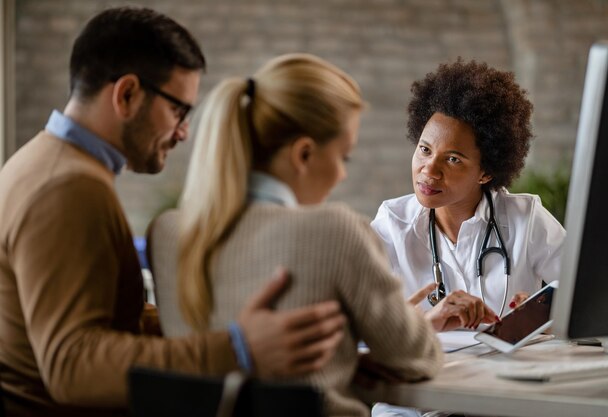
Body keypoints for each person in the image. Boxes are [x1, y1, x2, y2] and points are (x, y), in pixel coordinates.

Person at [0, 8, 346, 417]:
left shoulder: (44, 161)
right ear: (126, 94)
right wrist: (239, 348)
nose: (183, 133)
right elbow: (72, 365)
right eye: (179, 111)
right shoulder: (68, 186)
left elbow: (105, 320)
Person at [148, 53, 444, 417]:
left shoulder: (167, 233)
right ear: (303, 154)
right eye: (343, 157)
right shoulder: (335, 231)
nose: (342, 175)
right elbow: (419, 358)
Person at [370, 60, 566, 416]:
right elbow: (356, 337)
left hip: (503, 399)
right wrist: (425, 326)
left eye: (454, 159)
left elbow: (588, 300)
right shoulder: (391, 225)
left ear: (486, 171)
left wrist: (543, 313)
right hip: (418, 404)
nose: (429, 170)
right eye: (425, 150)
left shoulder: (527, 219)